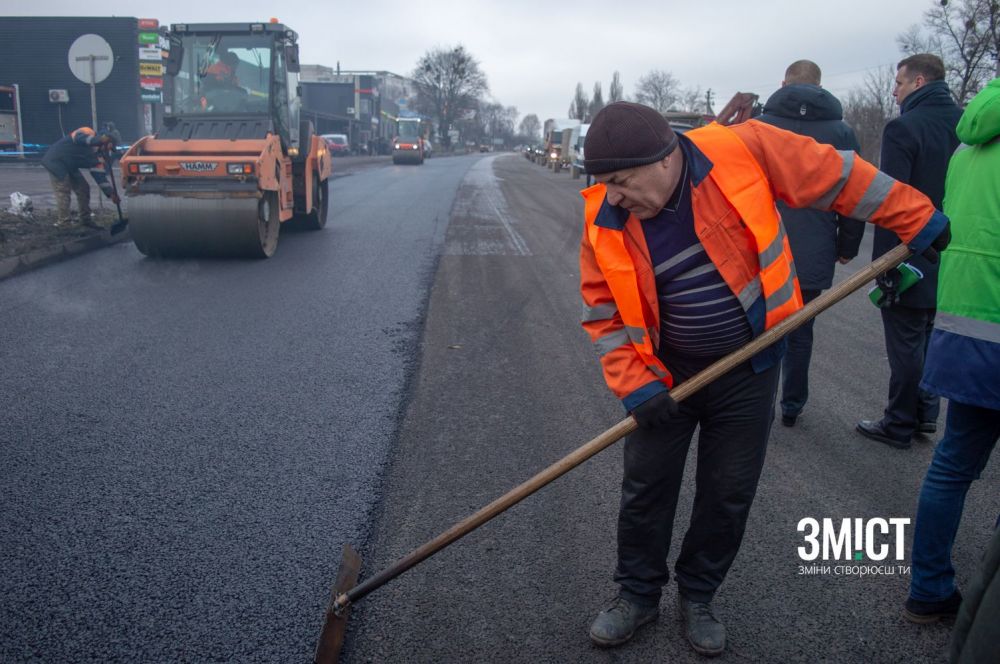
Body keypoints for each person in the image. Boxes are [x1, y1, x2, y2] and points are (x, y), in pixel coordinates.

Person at [578, 101, 949, 656]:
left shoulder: (741, 148)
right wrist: (635, 383)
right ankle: (636, 594)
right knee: (645, 489)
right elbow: (603, 312)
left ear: (662, 159)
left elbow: (839, 175)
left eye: (620, 181)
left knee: (728, 492)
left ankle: (698, 596)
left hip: (749, 363)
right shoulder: (604, 218)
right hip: (664, 376)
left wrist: (914, 215)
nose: (613, 195)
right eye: (604, 183)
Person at [903, 77, 1000, 627]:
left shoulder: (970, 141)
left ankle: (929, 587)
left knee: (953, 464)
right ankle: (989, 612)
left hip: (968, 327)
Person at [857, 54, 962, 449]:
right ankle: (926, 415)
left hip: (913, 252)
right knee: (933, 336)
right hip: (955, 254)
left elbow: (891, 203)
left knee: (905, 343)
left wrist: (886, 268)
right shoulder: (966, 125)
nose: (894, 90)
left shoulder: (904, 128)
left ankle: (898, 422)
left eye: (898, 83)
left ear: (918, 81)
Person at [757, 59, 865, 427]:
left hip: (758, 243)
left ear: (783, 83)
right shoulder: (843, 133)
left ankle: (751, 405)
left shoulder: (757, 128)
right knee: (800, 330)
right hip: (813, 245)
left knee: (754, 327)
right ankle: (792, 404)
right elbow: (855, 192)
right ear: (820, 86)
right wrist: (847, 245)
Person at [40, 124, 121, 228]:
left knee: (83, 188)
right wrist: (98, 140)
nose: (108, 150)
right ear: (104, 139)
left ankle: (85, 220)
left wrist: (111, 193)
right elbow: (79, 138)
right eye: (109, 146)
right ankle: (64, 223)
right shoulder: (87, 132)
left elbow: (100, 177)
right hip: (56, 161)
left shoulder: (97, 157)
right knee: (63, 190)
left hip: (70, 165)